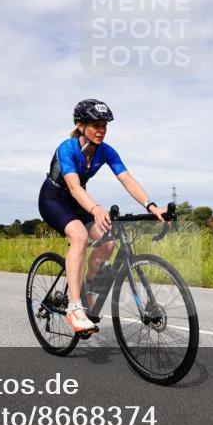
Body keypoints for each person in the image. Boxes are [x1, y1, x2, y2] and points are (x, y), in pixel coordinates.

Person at [38, 99, 166, 334]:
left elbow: (127, 179)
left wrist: (151, 206)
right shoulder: (67, 148)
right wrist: (96, 209)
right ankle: (74, 308)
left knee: (108, 242)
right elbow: (74, 187)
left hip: (79, 202)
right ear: (80, 125)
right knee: (79, 236)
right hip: (54, 199)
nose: (101, 130)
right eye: (96, 125)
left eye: (104, 125)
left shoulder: (106, 151)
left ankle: (85, 289)